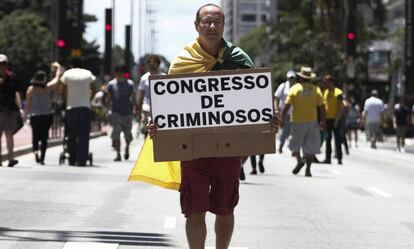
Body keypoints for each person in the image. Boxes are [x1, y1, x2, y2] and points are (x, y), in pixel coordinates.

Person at [148, 4, 278, 249]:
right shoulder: (182, 61)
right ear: (196, 26)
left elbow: (258, 96)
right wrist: (158, 125)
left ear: (224, 26)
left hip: (228, 149)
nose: (212, 27)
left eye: (217, 22)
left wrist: (270, 116)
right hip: (193, 150)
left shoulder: (238, 58)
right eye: (206, 22)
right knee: (194, 210)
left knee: (224, 208)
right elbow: (167, 106)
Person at [280, 66, 325, 177]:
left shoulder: (295, 89)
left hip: (297, 121)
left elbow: (287, 105)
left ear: (300, 78)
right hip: (312, 121)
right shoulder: (316, 90)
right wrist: (322, 121)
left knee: (294, 146)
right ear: (310, 78)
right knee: (310, 147)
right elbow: (322, 107)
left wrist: (281, 118)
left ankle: (300, 161)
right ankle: (308, 169)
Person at [60, 57, 96, 166]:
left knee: (72, 134)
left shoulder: (67, 73)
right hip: (85, 107)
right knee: (84, 135)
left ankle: (72, 157)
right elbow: (94, 88)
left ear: (71, 64)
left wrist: (67, 100)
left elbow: (63, 89)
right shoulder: (88, 73)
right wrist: (89, 99)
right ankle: (82, 159)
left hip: (71, 107)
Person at [24, 66, 63, 164]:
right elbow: (57, 79)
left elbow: (28, 104)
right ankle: (42, 158)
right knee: (44, 137)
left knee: (35, 136)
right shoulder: (48, 88)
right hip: (46, 116)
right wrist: (58, 68)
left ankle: (36, 151)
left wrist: (25, 115)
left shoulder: (30, 89)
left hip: (34, 116)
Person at [106, 65, 136, 161]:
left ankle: (127, 148)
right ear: (116, 73)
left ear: (124, 73)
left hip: (127, 112)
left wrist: (135, 108)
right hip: (116, 112)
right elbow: (109, 98)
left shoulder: (130, 84)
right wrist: (107, 111)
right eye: (118, 72)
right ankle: (118, 153)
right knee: (116, 134)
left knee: (128, 134)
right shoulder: (111, 84)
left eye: (122, 72)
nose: (120, 74)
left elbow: (132, 97)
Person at [0, 54, 23, 167]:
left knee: (9, 134)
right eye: (0, 64)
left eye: (4, 64)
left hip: (9, 110)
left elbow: (17, 93)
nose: (2, 66)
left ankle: (10, 158)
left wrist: (20, 108)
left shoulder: (13, 77)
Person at [136, 55, 165, 136]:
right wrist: (138, 108)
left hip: (160, 108)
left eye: (154, 62)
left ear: (158, 64)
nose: (152, 64)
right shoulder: (144, 78)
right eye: (149, 62)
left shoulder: (163, 77)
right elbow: (141, 95)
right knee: (147, 130)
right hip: (147, 108)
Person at [322, 75, 344, 164]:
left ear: (331, 82)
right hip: (327, 119)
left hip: (335, 119)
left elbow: (341, 107)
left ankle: (339, 158)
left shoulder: (338, 93)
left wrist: (337, 119)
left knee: (337, 139)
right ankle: (328, 158)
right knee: (328, 139)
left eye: (326, 82)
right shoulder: (325, 92)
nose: (325, 84)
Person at [274, 70, 296, 153]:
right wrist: (277, 109)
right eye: (290, 78)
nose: (291, 79)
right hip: (284, 112)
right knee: (285, 130)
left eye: (293, 78)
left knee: (294, 131)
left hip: (294, 113)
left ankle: (294, 149)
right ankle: (280, 146)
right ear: (287, 78)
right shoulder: (283, 86)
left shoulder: (296, 86)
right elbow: (277, 97)